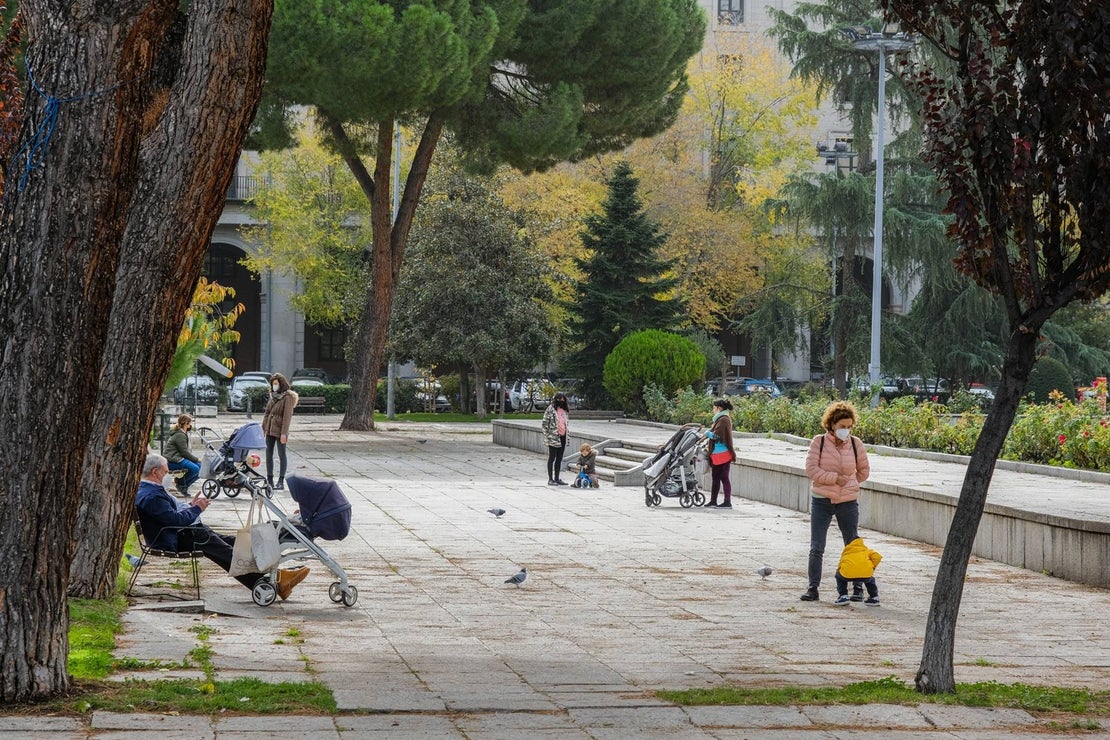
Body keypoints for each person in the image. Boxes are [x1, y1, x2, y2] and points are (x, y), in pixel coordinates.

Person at [134, 453, 309, 600]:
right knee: (225, 550)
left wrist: (191, 506)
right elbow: (174, 520)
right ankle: (276, 579)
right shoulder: (151, 496)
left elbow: (172, 515)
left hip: (183, 533)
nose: (169, 475)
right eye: (166, 472)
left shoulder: (151, 491)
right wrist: (197, 508)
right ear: (155, 472)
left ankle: (273, 579)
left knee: (233, 543)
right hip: (176, 537)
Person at [801, 400, 871, 602]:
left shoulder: (856, 444)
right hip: (822, 500)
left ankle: (857, 587)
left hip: (848, 501)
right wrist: (834, 479)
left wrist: (849, 483)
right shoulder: (819, 442)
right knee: (817, 546)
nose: (845, 431)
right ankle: (813, 587)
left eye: (849, 427)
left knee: (852, 544)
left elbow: (864, 471)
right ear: (832, 425)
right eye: (842, 427)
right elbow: (811, 470)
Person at [262, 372, 298, 490]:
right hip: (270, 429)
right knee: (268, 455)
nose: (274, 386)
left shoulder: (287, 397)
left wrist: (284, 433)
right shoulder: (273, 396)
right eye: (273, 384)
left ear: (281, 384)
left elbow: (287, 416)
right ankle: (270, 479)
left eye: (276, 384)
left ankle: (281, 481)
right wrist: (263, 428)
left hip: (280, 430)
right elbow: (267, 413)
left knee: (282, 454)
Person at [704, 398, 736, 508]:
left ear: (719, 408)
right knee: (716, 477)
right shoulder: (720, 418)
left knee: (724, 477)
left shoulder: (723, 419)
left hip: (723, 454)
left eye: (714, 407)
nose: (713, 409)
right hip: (718, 454)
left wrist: (707, 433)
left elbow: (717, 435)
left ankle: (727, 502)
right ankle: (713, 500)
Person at [834, 536, 881, 606]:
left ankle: (843, 596)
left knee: (838, 576)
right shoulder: (867, 551)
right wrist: (872, 567)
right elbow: (878, 556)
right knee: (870, 580)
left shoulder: (847, 552)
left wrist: (841, 570)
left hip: (848, 575)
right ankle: (874, 597)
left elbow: (840, 564)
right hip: (865, 574)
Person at [163, 413, 201, 496]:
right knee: (195, 469)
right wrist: (197, 459)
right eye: (189, 423)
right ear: (186, 424)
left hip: (178, 458)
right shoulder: (180, 435)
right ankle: (181, 483)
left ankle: (183, 485)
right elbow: (184, 453)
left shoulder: (182, 433)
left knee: (201, 469)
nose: (190, 425)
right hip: (173, 460)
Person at [542, 392, 571, 485]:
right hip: (553, 437)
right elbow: (545, 423)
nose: (561, 401)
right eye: (559, 399)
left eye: (563, 400)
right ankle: (550, 479)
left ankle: (557, 478)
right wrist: (548, 435)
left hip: (563, 436)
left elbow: (566, 422)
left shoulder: (564, 410)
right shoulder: (550, 409)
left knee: (559, 458)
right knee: (552, 457)